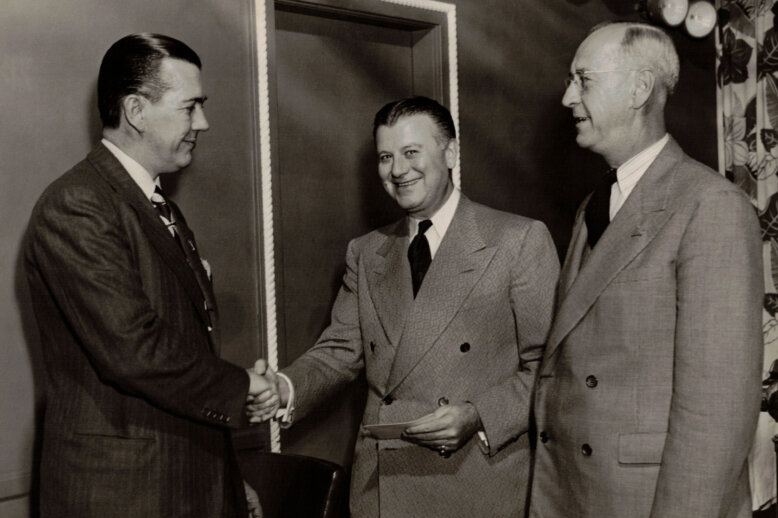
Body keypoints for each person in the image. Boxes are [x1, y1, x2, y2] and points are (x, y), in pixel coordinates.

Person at [250, 96, 560, 517]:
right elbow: (339, 352)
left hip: (478, 485)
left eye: (411, 152)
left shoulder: (517, 240)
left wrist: (478, 416)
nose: (397, 170)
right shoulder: (366, 251)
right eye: (385, 157)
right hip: (383, 488)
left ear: (449, 153)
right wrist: (283, 388)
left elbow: (550, 366)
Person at [24, 33, 275, 518]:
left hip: (183, 482)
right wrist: (242, 386)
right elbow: (133, 351)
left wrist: (227, 479)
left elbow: (183, 350)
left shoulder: (158, 208)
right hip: (125, 496)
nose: (203, 122)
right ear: (136, 111)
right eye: (190, 107)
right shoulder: (78, 206)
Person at [529, 21, 763, 518]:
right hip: (579, 493)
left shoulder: (710, 206)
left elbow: (716, 416)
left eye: (583, 80)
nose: (568, 97)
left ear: (639, 88)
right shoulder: (595, 204)